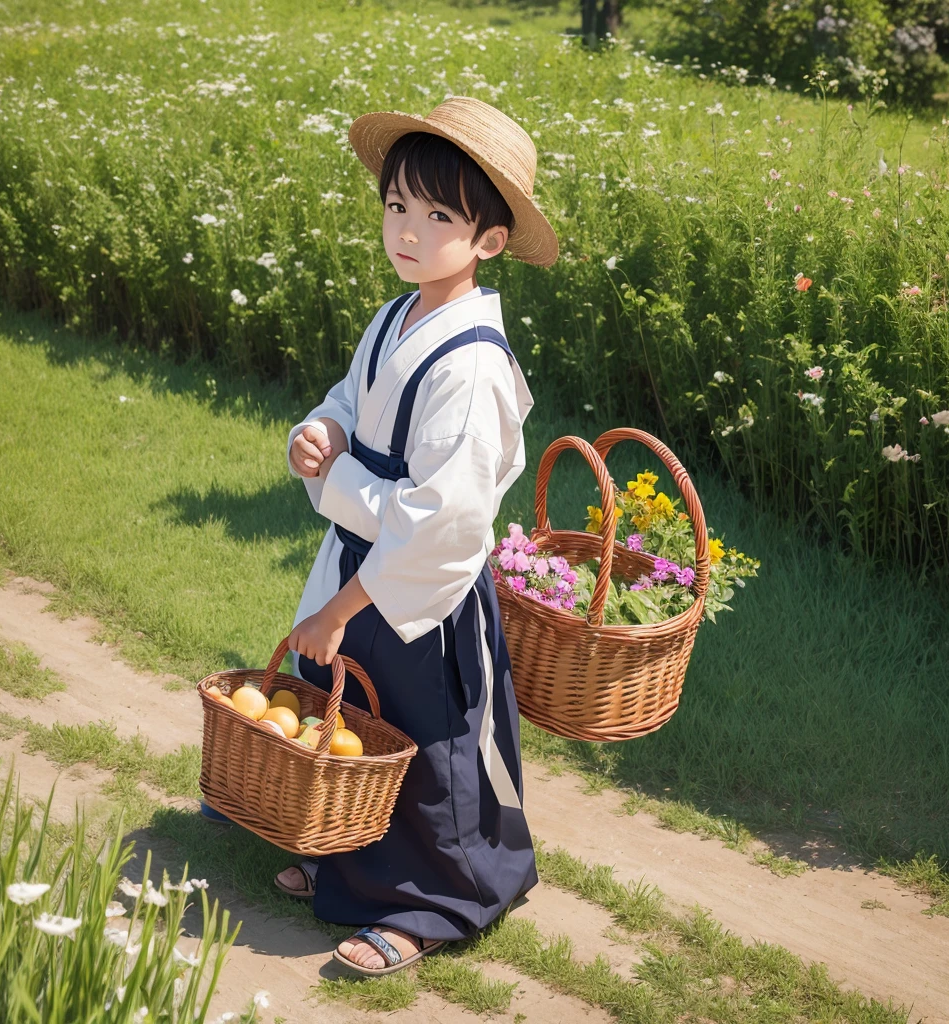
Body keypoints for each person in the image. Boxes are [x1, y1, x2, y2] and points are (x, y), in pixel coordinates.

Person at [279, 95, 559, 977]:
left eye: (439, 215)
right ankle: (352, 856)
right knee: (354, 720)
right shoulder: (398, 317)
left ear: (489, 241)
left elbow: (445, 525)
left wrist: (346, 604)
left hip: (416, 599)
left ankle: (440, 900)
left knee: (427, 744)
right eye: (399, 205)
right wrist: (319, 433)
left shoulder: (474, 366)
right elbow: (352, 402)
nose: (409, 229)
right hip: (361, 569)